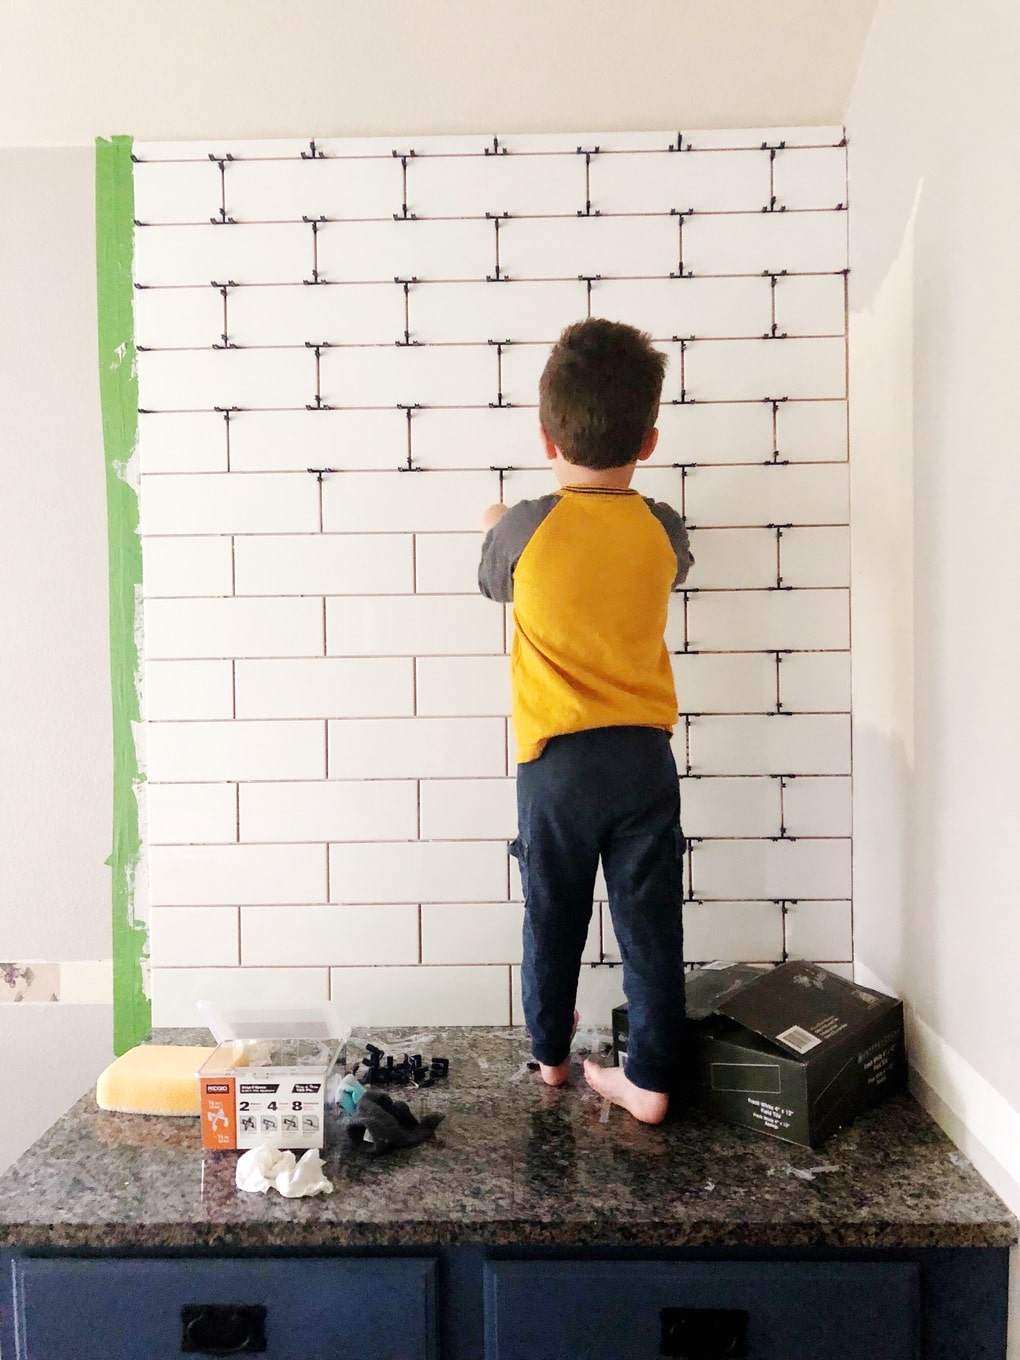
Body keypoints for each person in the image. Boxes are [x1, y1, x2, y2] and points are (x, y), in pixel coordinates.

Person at [477, 318, 693, 1124]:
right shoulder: (661, 528)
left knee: (552, 912)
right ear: (649, 439)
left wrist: (497, 519)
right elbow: (675, 560)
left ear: (545, 437)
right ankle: (649, 1079)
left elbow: (493, 581)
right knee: (650, 927)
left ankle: (552, 1055)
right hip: (643, 758)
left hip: (556, 762)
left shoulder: (525, 528)